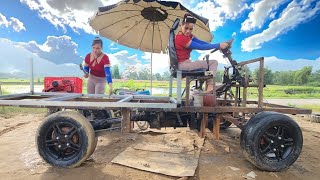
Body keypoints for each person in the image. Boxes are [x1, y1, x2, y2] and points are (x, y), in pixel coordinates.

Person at [175, 13, 229, 92]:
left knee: (206, 67)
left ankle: (205, 88)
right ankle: (210, 86)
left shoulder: (189, 36)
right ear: (181, 25)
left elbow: (201, 43)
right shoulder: (181, 38)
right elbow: (201, 47)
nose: (188, 31)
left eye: (191, 29)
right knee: (213, 63)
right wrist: (218, 45)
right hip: (183, 65)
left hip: (186, 63)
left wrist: (218, 46)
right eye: (186, 28)